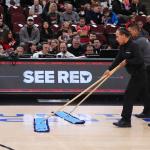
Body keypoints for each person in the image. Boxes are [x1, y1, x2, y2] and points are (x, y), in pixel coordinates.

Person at [104, 28, 150, 127]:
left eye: (117, 36)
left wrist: (128, 61)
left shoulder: (134, 45)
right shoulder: (122, 46)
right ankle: (147, 112)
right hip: (135, 74)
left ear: (124, 36)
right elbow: (118, 59)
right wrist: (109, 69)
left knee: (128, 96)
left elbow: (140, 60)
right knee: (146, 96)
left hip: (140, 75)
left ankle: (126, 120)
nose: (116, 39)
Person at [128, 24, 150, 119]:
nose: (129, 33)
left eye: (130, 31)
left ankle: (147, 112)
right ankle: (147, 111)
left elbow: (133, 56)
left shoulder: (138, 42)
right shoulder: (143, 39)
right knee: (144, 91)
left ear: (136, 31)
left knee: (144, 91)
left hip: (146, 68)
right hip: (147, 67)